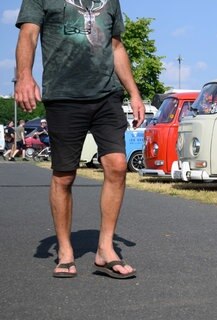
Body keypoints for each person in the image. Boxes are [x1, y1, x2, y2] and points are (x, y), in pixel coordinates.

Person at [15, 0, 144, 279]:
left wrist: (133, 93)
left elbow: (116, 45)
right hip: (64, 96)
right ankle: (65, 250)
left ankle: (105, 249)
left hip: (107, 95)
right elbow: (28, 33)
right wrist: (24, 76)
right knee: (64, 176)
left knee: (118, 165)